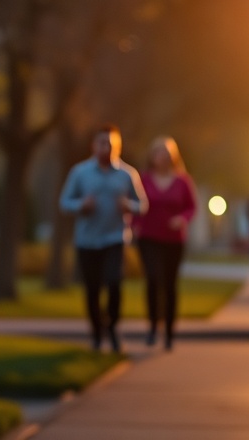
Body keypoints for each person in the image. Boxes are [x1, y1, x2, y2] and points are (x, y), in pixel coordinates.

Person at [60, 124, 147, 353]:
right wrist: (82, 205)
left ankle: (113, 326)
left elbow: (143, 205)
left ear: (117, 146)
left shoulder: (128, 174)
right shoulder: (80, 173)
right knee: (92, 290)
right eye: (101, 143)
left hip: (114, 238)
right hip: (87, 240)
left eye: (110, 143)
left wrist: (128, 206)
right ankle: (97, 334)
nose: (106, 147)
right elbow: (64, 203)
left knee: (114, 283)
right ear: (93, 145)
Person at [132, 137, 196, 351]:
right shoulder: (143, 179)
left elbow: (191, 207)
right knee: (153, 279)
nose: (162, 158)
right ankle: (152, 326)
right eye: (158, 153)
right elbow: (135, 204)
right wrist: (135, 224)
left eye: (166, 154)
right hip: (148, 238)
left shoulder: (182, 181)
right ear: (152, 156)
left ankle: (169, 332)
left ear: (173, 157)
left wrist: (182, 219)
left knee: (170, 285)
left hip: (174, 240)